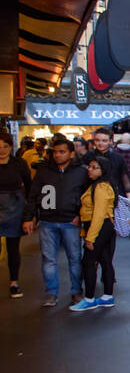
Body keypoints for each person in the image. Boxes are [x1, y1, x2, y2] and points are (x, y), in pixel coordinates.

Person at [23, 137, 89, 308]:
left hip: (71, 221)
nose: (58, 155)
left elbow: (88, 197)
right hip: (47, 221)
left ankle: (76, 292)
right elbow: (33, 195)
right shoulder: (44, 171)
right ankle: (51, 293)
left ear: (71, 153)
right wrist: (29, 218)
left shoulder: (81, 172)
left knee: (74, 259)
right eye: (55, 152)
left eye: (62, 152)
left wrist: (80, 216)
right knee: (48, 259)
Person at [71, 157, 116, 311]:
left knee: (88, 262)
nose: (90, 170)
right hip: (102, 226)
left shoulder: (101, 187)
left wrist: (90, 237)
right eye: (89, 167)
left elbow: (98, 214)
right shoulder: (99, 185)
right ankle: (107, 296)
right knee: (105, 260)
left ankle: (89, 299)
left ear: (103, 170)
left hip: (100, 226)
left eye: (95, 167)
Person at [0, 133, 33, 297]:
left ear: (11, 147)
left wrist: (29, 215)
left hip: (15, 207)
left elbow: (29, 187)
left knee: (13, 248)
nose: (2, 150)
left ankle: (14, 282)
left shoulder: (19, 163)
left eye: (5, 146)